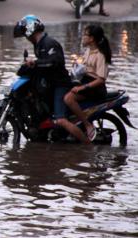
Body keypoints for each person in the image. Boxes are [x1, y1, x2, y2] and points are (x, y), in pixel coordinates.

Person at [13, 15, 92, 143]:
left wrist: (35, 63)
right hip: (50, 85)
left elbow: (55, 62)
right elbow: (43, 64)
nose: (26, 38)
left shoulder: (49, 43)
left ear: (30, 30)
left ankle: (89, 146)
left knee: (60, 119)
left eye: (25, 34)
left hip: (60, 85)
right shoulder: (39, 44)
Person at [64, 25, 111, 141]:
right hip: (85, 81)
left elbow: (101, 79)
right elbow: (85, 67)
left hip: (95, 87)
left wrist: (82, 88)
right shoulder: (89, 50)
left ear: (92, 38)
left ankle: (87, 125)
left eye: (85, 35)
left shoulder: (101, 55)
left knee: (68, 98)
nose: (83, 37)